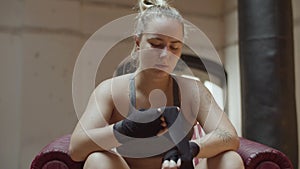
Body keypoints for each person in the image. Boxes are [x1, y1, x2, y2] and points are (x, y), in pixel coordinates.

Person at [69, 0, 245, 168]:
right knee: (97, 161)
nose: (165, 55)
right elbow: (76, 149)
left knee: (230, 160)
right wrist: (126, 129)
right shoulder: (110, 91)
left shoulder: (192, 90)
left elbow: (229, 136)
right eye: (156, 44)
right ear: (138, 43)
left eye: (174, 47)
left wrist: (190, 149)